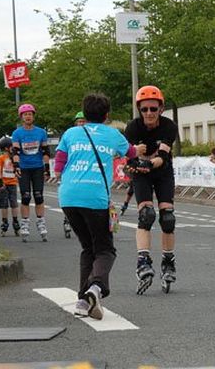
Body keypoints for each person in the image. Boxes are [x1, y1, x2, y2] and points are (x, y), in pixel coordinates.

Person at [55, 93, 141, 320]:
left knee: (88, 248)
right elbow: (131, 153)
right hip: (95, 197)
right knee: (105, 249)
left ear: (84, 112)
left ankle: (83, 302)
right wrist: (139, 151)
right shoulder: (113, 134)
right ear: (107, 115)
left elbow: (59, 163)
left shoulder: (71, 133)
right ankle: (96, 288)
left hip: (68, 196)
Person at [124, 85, 179, 295]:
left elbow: (163, 157)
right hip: (140, 174)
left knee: (167, 218)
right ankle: (143, 260)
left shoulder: (168, 126)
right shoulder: (133, 128)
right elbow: (127, 156)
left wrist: (147, 163)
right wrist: (132, 162)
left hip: (162, 171)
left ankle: (168, 260)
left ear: (161, 109)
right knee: (146, 215)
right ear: (139, 109)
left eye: (153, 109)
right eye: (144, 109)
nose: (149, 113)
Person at [11, 103, 50, 242]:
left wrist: (47, 169)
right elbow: (15, 151)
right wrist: (16, 166)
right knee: (26, 196)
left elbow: (45, 151)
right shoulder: (17, 133)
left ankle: (41, 222)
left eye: (30, 114)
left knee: (39, 196)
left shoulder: (41, 132)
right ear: (21, 117)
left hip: (37, 167)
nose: (28, 116)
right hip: (24, 168)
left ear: (33, 116)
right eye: (25, 114)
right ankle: (25, 224)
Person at [62, 111, 88, 239]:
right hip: (72, 173)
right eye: (79, 121)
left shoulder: (91, 136)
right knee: (72, 200)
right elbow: (62, 153)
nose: (81, 124)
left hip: (86, 173)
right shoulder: (70, 135)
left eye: (83, 121)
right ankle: (68, 221)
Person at [0, 137, 20, 236]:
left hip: (13, 183)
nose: (13, 149)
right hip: (4, 184)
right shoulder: (1, 158)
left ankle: (15, 221)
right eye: (11, 147)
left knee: (14, 204)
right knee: (4, 205)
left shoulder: (14, 158)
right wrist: (0, 181)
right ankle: (5, 222)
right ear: (6, 148)